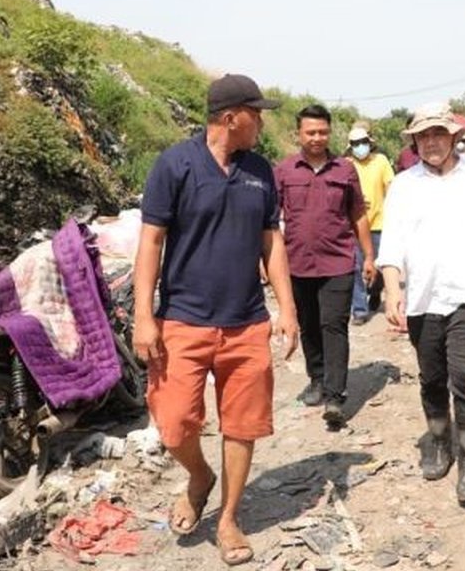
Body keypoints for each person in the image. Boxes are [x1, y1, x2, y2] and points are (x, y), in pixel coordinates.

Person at [133, 73, 300, 567]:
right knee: (174, 423)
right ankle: (200, 476)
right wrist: (144, 316)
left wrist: (286, 309)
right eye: (257, 113)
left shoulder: (260, 171)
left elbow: (272, 243)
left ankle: (228, 517)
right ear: (231, 118)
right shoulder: (175, 164)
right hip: (182, 320)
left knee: (242, 425)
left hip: (246, 322)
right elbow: (151, 242)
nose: (262, 121)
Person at [378, 101, 465, 509]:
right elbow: (392, 244)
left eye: (438, 134)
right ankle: (440, 443)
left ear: (455, 136)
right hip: (423, 300)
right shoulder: (405, 185)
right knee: (432, 378)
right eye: (423, 136)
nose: (431, 142)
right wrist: (392, 289)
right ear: (415, 142)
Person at [274, 105, 375, 429]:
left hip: (338, 262)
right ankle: (316, 379)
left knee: (334, 325)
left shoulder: (344, 169)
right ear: (298, 134)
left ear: (330, 133)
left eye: (322, 132)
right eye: (310, 132)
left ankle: (335, 395)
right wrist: (265, 261)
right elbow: (271, 221)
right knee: (309, 325)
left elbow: (358, 213)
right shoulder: (285, 170)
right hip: (297, 263)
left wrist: (369, 256)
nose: (317, 138)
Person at [347, 126, 393, 324]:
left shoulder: (380, 161)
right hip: (354, 224)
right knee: (354, 266)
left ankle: (375, 291)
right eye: (356, 144)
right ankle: (359, 309)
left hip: (379, 223)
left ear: (370, 142)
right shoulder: (346, 165)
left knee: (380, 266)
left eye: (363, 142)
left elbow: (390, 187)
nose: (360, 147)